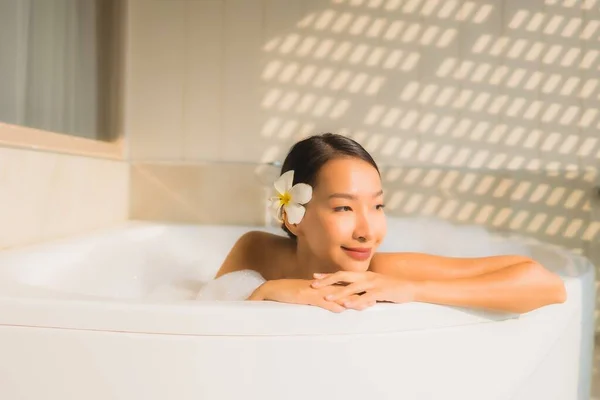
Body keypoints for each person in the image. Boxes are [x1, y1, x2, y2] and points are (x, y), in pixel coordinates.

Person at [215, 133, 567, 313]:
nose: (368, 231)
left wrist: (412, 290)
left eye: (378, 205)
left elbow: (546, 283)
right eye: (344, 209)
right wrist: (263, 293)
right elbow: (202, 330)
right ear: (294, 219)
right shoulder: (255, 253)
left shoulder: (383, 270)